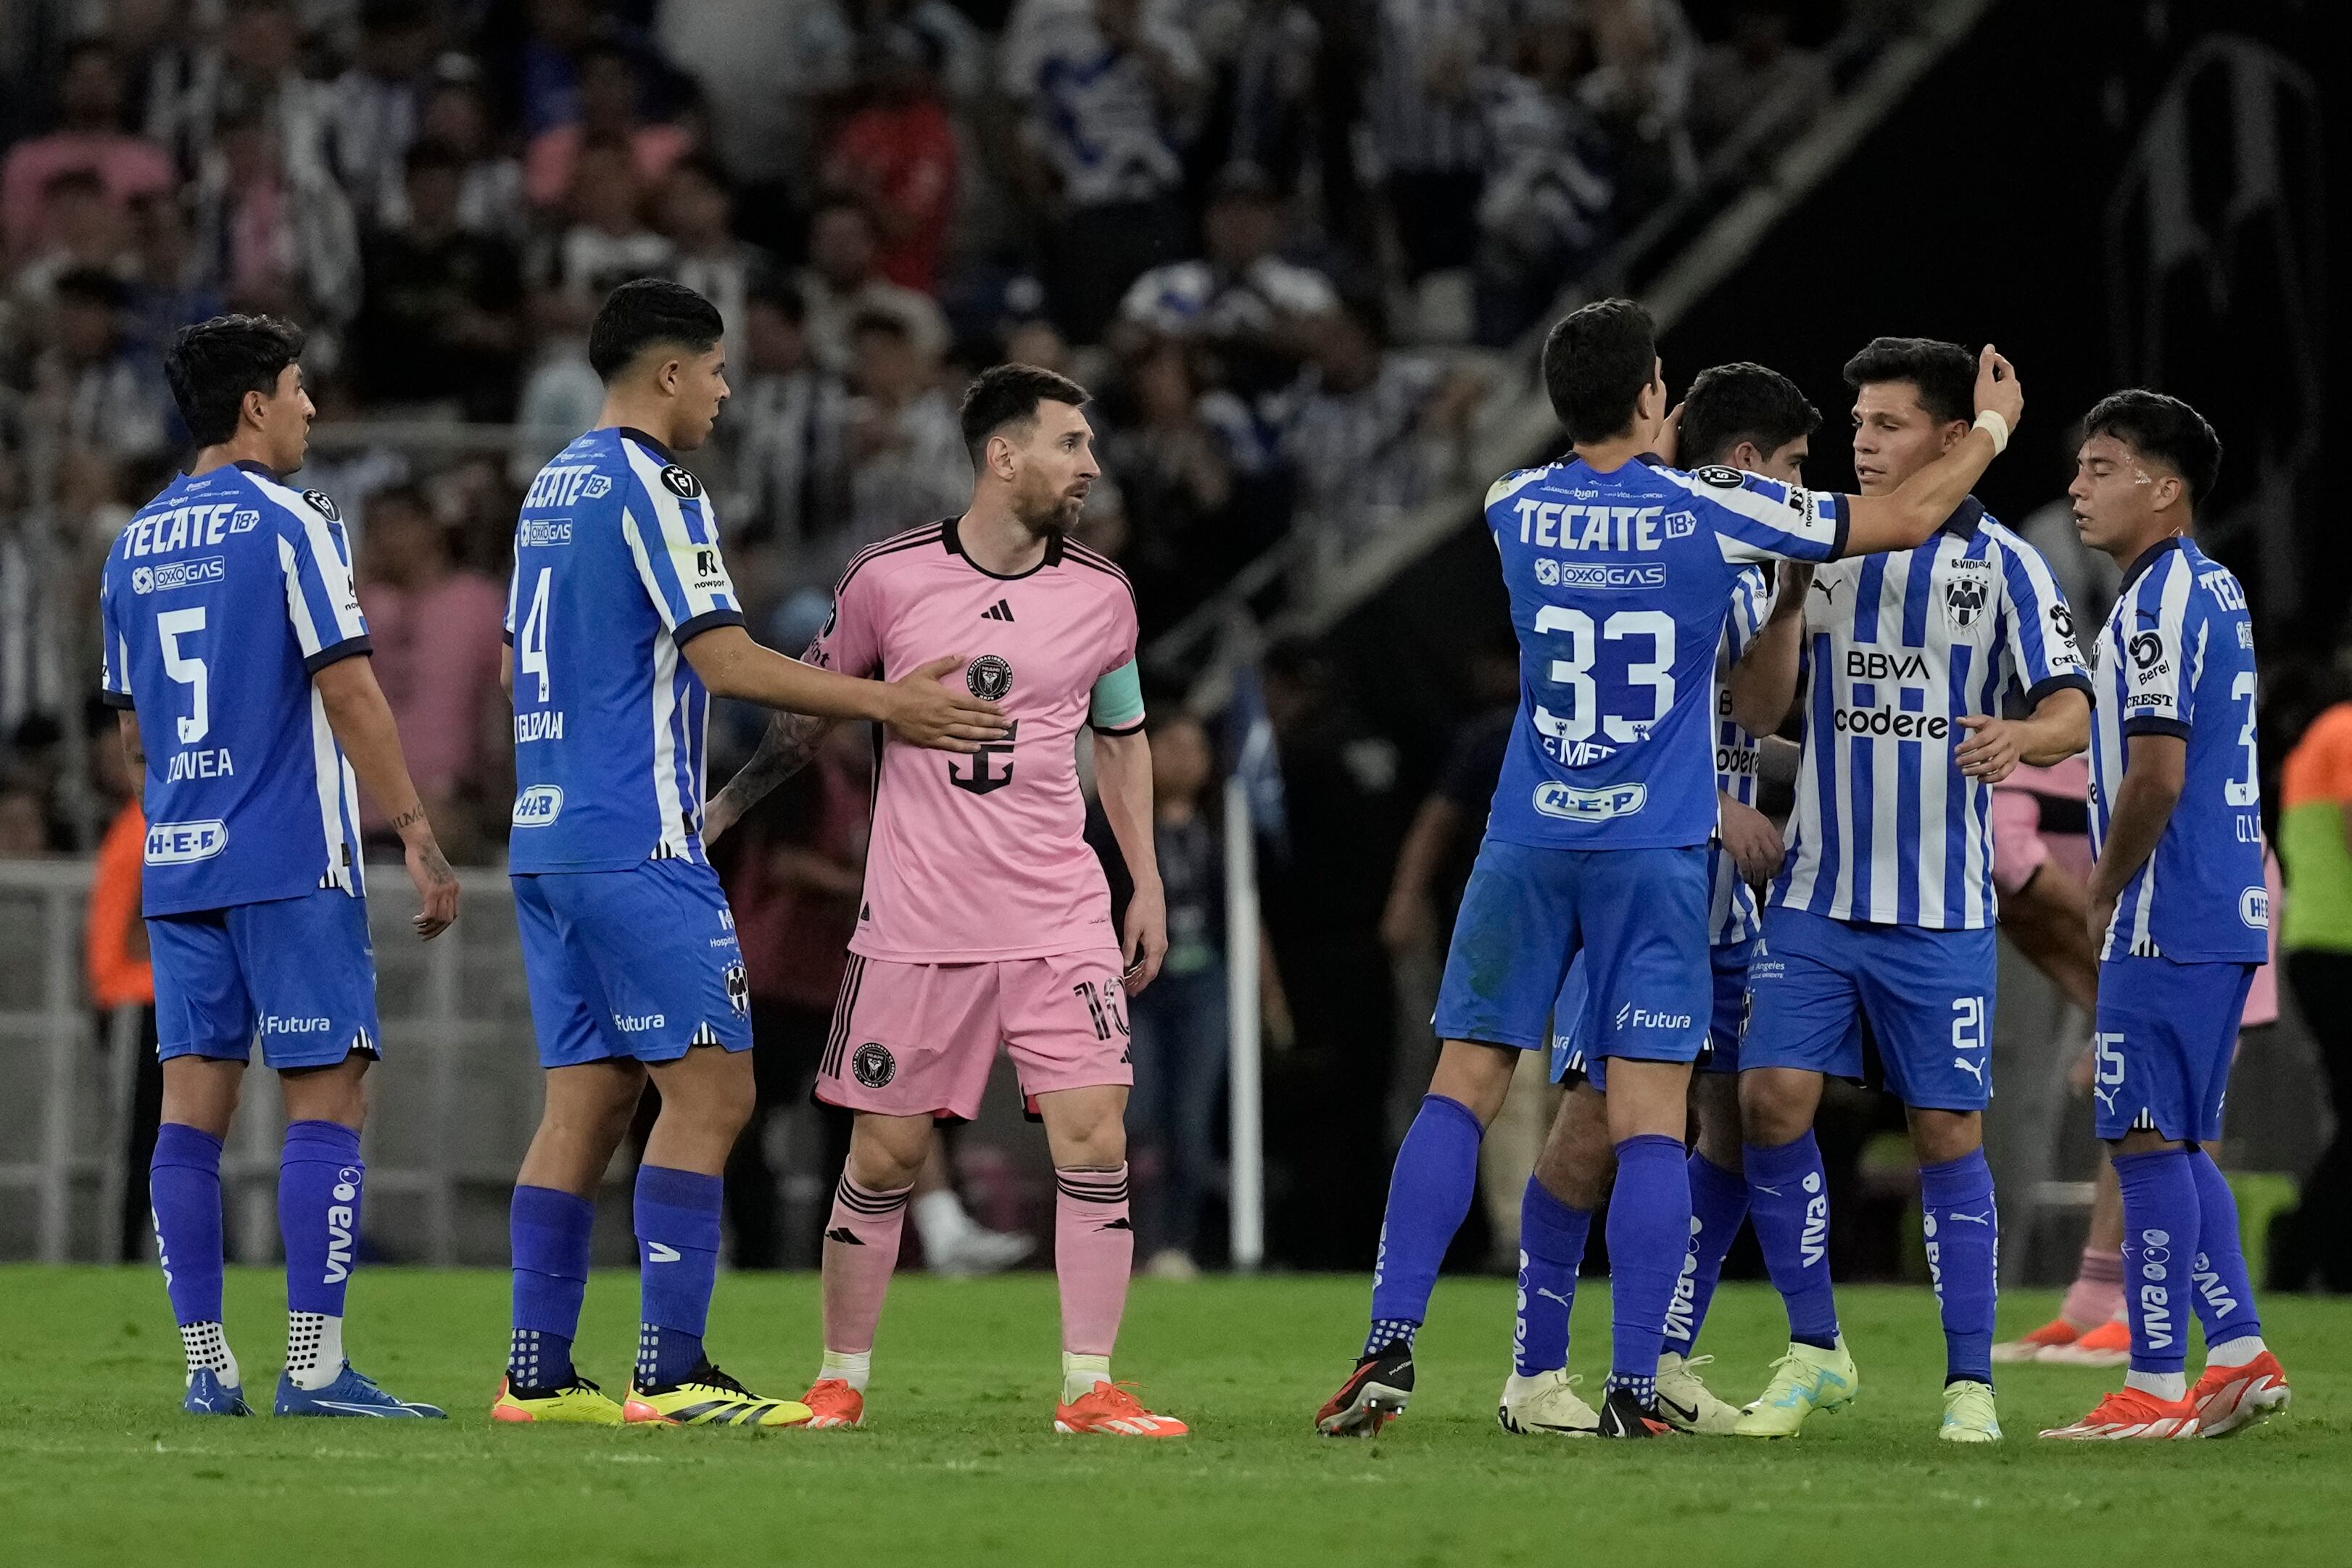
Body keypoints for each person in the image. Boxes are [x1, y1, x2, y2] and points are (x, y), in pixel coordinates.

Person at [1313, 298, 2025, 1440]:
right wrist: (1987, 428)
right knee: (1652, 1117)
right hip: (1652, 849)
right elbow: (1904, 516)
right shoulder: (1716, 505)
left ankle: (1390, 1342)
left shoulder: (1513, 502)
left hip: (1530, 836)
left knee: (1463, 1084)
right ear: (1654, 396)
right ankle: (1634, 1379)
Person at [488, 279, 1006, 1430]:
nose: (726, 392)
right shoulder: (655, 482)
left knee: (585, 1100)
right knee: (716, 1090)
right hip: (636, 835)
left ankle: (535, 1373)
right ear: (668, 372)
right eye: (716, 370)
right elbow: (722, 659)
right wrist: (885, 703)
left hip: (548, 834)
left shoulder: (549, 488)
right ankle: (670, 1370)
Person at [701, 362, 1188, 1438]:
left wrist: (1142, 879)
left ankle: (1088, 1385)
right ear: (1002, 454)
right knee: (884, 1154)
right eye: (1070, 444)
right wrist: (726, 811)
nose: (1090, 465)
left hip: (1059, 911)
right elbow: (810, 713)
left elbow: (1124, 738)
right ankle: (840, 1378)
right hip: (919, 918)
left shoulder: (1103, 594)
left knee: (1095, 1134)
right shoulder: (889, 579)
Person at [1724, 337, 2092, 1443]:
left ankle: (1968, 1379)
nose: (1861, 443)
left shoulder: (2008, 566)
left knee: (1945, 1131)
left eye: (1886, 425)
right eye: (1858, 425)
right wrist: (1787, 603)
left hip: (1941, 906)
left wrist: (2023, 735)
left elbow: (2076, 705)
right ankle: (1814, 1345)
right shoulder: (1825, 542)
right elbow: (1760, 713)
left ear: (1946, 436)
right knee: (1767, 1100)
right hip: (1818, 893)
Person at [99, 313, 461, 1417]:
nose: (311, 409)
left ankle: (210, 1365)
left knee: (189, 1112)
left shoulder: (135, 539)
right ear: (256, 403)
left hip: (182, 860)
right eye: (300, 389)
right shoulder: (293, 521)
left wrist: (186, 816)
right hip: (292, 855)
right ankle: (314, 1361)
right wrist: (415, 827)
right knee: (330, 1097)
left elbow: (135, 738)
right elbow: (349, 687)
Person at [1490, 360, 1821, 1438]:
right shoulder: (1662, 535)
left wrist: (1787, 596)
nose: (1800, 485)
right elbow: (1583, 710)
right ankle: (1536, 1364)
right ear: (1746, 463)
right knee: (1599, 1118)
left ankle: (1665, 1351)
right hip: (1637, 866)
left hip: (1721, 899)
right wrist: (1715, 806)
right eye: (1792, 467)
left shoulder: (1741, 555)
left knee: (1730, 1113)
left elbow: (1759, 705)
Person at [2042, 391, 2290, 1439]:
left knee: (2141, 1140)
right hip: (2224, 897)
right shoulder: (2215, 587)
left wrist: (2103, 884)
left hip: (2166, 904)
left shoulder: (2151, 606)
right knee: (2179, 1140)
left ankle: (2149, 1380)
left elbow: (2155, 771)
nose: (2078, 486)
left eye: (2102, 467)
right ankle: (2235, 1353)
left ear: (2165, 486)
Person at [1125, 711, 1228, 1278]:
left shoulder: (1224, 825)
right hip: (1135, 986)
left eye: (1197, 746)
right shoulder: (1113, 818)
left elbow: (1243, 912)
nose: (1186, 757)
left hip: (1204, 983)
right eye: (1172, 743)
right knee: (1136, 1114)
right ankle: (1131, 1238)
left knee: (1190, 1118)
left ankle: (1177, 1245)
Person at [2272, 686, 2352, 1292]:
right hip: (2338, 946)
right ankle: (2300, 1243)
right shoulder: (2346, 729)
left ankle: (2322, 1250)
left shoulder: (2324, 731)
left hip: (2320, 943)